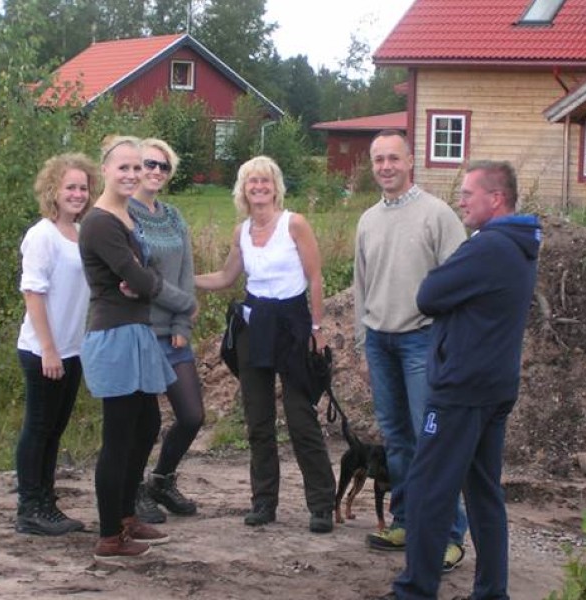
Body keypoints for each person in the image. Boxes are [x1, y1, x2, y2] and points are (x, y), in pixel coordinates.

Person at [392, 160, 542, 599]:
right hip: (495, 385)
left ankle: (415, 590)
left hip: (462, 388)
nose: (460, 201)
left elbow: (429, 294)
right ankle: (492, 591)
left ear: (496, 198)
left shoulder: (489, 247)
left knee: (427, 489)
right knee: (483, 492)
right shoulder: (519, 245)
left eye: (468, 193)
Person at [195, 155, 336, 534]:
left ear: (276, 188)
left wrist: (317, 328)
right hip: (254, 326)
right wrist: (184, 279)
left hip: (293, 326)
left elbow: (315, 277)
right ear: (243, 190)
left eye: (265, 181)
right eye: (252, 182)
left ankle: (322, 504)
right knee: (258, 419)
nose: (258, 187)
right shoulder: (241, 231)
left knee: (300, 418)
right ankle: (263, 501)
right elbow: (226, 277)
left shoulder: (294, 224)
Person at [354, 129, 469, 571]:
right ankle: (406, 521)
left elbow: (460, 283)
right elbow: (362, 285)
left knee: (431, 439)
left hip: (423, 341)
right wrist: (363, 342)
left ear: (410, 161)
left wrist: (450, 345)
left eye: (393, 158)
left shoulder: (437, 215)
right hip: (380, 342)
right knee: (397, 440)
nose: (385, 166)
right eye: (378, 159)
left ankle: (449, 535)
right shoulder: (368, 220)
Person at [79, 135, 196, 562]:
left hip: (136, 331)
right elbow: (140, 277)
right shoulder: (100, 222)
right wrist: (183, 302)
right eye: (124, 167)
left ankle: (127, 515)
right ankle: (110, 535)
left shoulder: (126, 216)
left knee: (146, 424)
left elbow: (142, 275)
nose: (132, 174)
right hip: (114, 335)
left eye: (136, 167)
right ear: (105, 170)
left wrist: (142, 283)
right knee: (119, 437)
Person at [14, 152, 96, 536]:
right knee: (38, 427)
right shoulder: (42, 235)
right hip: (43, 350)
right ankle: (30, 507)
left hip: (72, 348)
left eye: (83, 188)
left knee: (55, 429)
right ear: (53, 190)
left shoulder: (80, 234)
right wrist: (48, 349)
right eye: (70, 187)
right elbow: (33, 293)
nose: (78, 194)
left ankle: (47, 502)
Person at [126, 138, 204, 523]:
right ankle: (133, 490)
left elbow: (186, 272)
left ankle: (161, 479)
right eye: (149, 164)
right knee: (144, 422)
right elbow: (138, 279)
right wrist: (179, 306)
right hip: (139, 329)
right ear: (134, 169)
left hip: (173, 331)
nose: (156, 171)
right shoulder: (125, 215)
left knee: (191, 415)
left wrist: (181, 322)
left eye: (163, 166)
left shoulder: (173, 217)